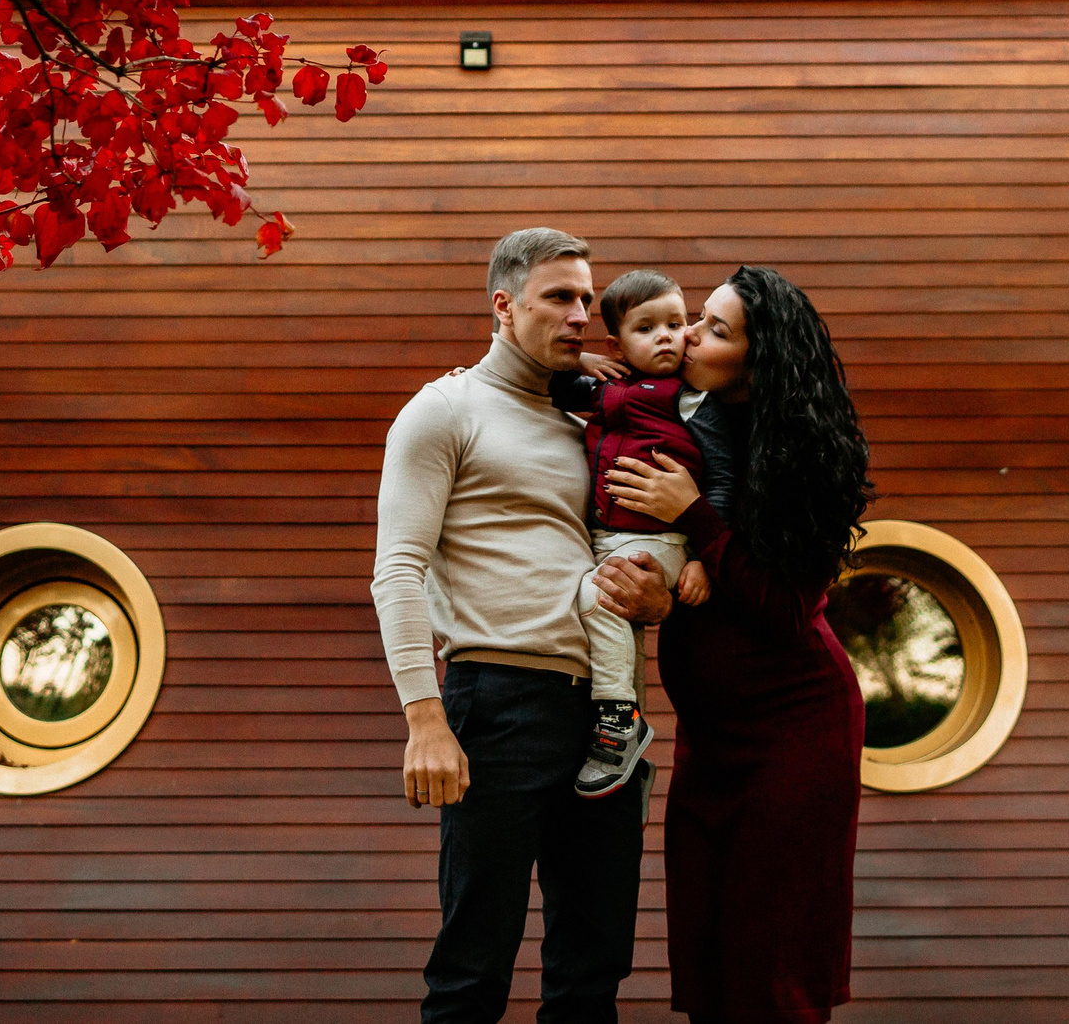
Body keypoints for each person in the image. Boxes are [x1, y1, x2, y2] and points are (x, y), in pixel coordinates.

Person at [371, 226, 677, 1024]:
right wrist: (425, 719)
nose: (583, 314)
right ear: (504, 306)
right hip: (497, 704)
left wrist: (660, 600)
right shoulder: (443, 410)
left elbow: (633, 549)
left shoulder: (596, 421)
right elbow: (396, 569)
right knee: (474, 970)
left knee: (592, 971)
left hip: (609, 715)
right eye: (560, 297)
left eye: (587, 297)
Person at [606, 265, 873, 1024]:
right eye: (696, 318)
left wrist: (696, 515)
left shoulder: (806, 454)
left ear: (762, 360)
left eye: (714, 329)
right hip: (711, 741)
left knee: (773, 970)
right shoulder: (695, 425)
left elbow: (783, 606)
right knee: (710, 962)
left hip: (792, 734)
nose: (686, 335)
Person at [547, 269, 726, 798]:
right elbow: (551, 385)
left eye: (676, 322)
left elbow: (725, 480)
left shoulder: (693, 400)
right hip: (614, 536)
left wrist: (703, 556)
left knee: (597, 595)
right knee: (599, 605)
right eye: (646, 328)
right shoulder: (609, 389)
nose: (667, 335)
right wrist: (579, 359)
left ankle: (619, 718)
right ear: (616, 345)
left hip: (664, 543)